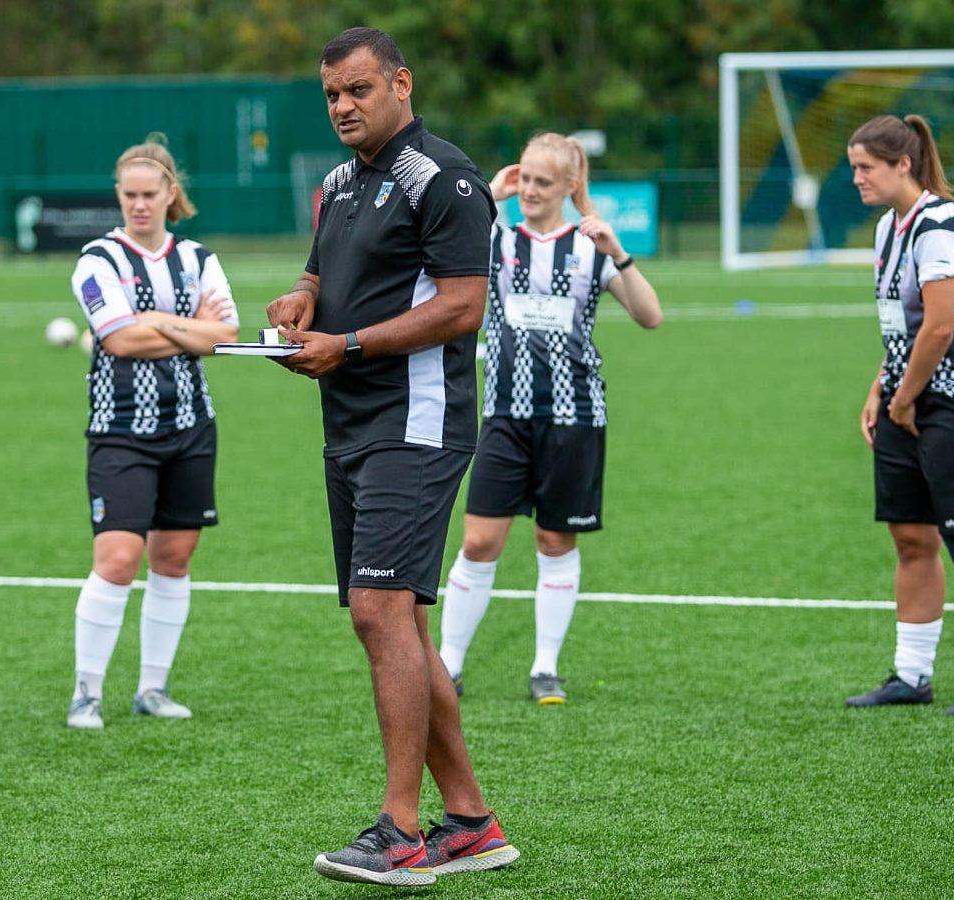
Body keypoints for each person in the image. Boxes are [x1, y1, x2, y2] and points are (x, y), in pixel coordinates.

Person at [266, 27, 518, 887]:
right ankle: (475, 825)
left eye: (359, 90)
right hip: (350, 425)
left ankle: (401, 832)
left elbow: (461, 308)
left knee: (379, 612)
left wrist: (351, 345)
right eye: (331, 94)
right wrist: (300, 302)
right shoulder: (337, 183)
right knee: (398, 622)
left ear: (402, 84)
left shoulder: (444, 178)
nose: (342, 107)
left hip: (416, 423)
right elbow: (317, 277)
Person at [437, 134, 663, 705]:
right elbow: (438, 249)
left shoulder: (590, 248)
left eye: (544, 182)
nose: (531, 191)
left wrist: (619, 251)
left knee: (554, 538)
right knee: (480, 539)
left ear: (569, 188)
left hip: (574, 418)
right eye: (526, 179)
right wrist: (490, 194)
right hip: (504, 416)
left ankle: (545, 668)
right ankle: (448, 666)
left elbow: (650, 317)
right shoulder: (497, 238)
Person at [65, 137, 239, 730]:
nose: (139, 205)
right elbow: (118, 339)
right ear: (119, 195)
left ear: (171, 194)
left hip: (191, 426)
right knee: (117, 558)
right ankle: (86, 692)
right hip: (121, 429)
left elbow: (229, 334)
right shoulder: (97, 260)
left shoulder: (199, 258)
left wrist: (157, 320)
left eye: (149, 194)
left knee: (174, 556)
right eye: (129, 195)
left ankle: (152, 688)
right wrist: (192, 328)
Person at [846, 114, 954, 716]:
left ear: (902, 165)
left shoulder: (941, 225)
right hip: (905, 399)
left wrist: (904, 396)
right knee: (910, 537)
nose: (856, 179)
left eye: (865, 168)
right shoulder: (888, 227)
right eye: (854, 168)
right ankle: (911, 675)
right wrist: (880, 389)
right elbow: (904, 330)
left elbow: (941, 327)